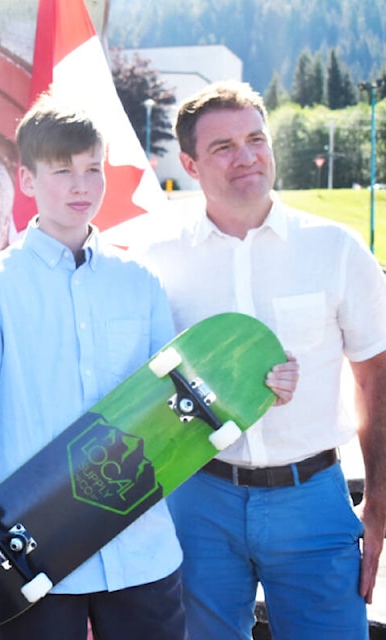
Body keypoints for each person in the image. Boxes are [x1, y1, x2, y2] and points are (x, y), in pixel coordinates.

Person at [0, 93, 196, 640]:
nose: (81, 185)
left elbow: (174, 416)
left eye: (92, 169)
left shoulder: (139, 283)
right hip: (34, 560)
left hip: (141, 553)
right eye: (62, 170)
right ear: (27, 180)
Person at [128, 80, 386, 639]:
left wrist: (379, 510)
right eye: (223, 147)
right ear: (191, 166)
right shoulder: (154, 260)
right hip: (199, 500)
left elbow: (376, 384)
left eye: (255, 139)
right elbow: (136, 389)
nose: (246, 157)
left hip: (314, 499)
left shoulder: (337, 250)